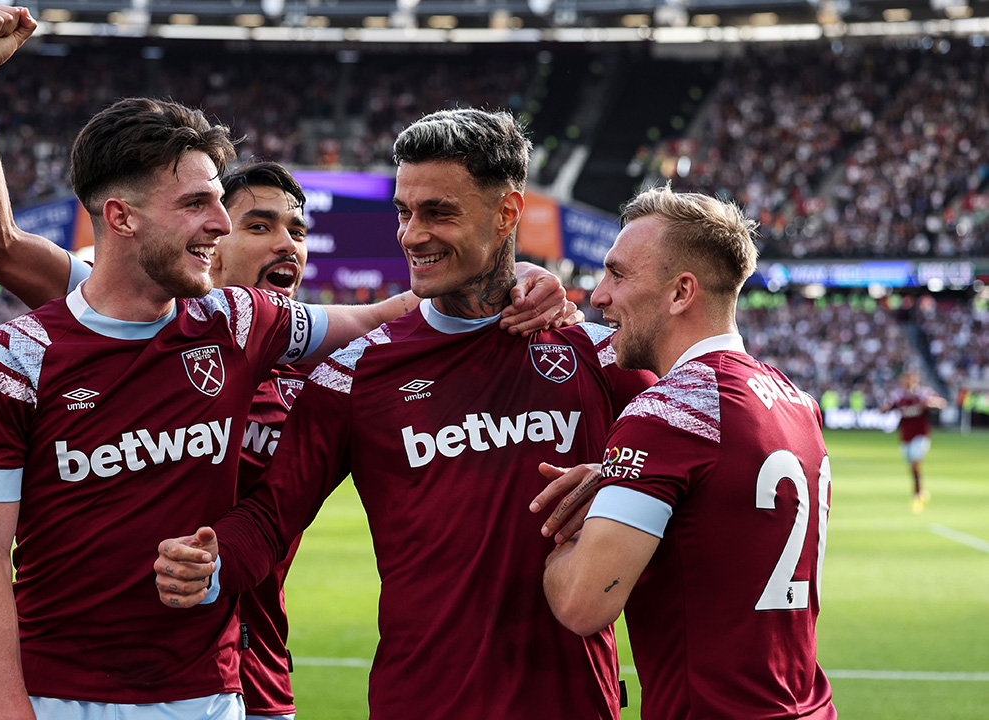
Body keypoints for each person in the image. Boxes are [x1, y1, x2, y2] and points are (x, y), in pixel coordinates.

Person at [0, 7, 574, 720]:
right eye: (249, 221)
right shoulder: (45, 341)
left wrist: (517, 275)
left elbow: (402, 313)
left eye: (297, 229)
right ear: (124, 219)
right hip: (78, 684)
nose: (276, 242)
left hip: (240, 685)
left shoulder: (264, 332)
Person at [153, 108, 655, 720]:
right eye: (403, 212)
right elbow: (271, 515)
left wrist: (621, 480)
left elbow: (696, 471)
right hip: (421, 702)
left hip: (571, 701)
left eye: (438, 212)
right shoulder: (355, 373)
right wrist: (211, 562)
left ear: (507, 213)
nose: (412, 235)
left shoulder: (597, 356)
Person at [534, 185, 837, 719]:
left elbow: (584, 603)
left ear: (681, 293)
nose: (598, 295)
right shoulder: (797, 402)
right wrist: (618, 482)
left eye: (618, 274)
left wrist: (560, 537)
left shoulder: (670, 412)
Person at [882, 370, 945, 513]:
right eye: (906, 379)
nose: (908, 382)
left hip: (921, 435)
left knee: (916, 462)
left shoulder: (923, 393)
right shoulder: (898, 395)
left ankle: (917, 494)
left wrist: (931, 404)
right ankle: (920, 490)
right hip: (906, 436)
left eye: (911, 379)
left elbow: (941, 402)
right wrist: (885, 409)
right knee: (912, 465)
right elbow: (885, 408)